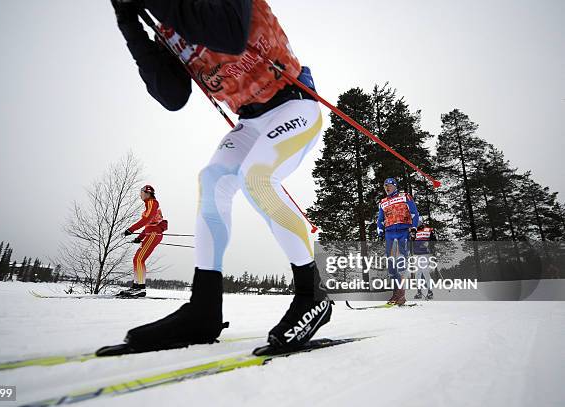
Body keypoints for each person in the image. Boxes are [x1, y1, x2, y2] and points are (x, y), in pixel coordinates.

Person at [110, 0, 331, 352]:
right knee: (213, 181)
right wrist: (129, 22)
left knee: (257, 178)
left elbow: (228, 34)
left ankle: (312, 293)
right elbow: (172, 95)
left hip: (292, 104)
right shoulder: (169, 22)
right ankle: (204, 310)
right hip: (250, 120)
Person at [120, 185, 168, 298]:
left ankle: (140, 288)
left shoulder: (152, 203)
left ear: (147, 193)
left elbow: (146, 220)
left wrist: (131, 229)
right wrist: (139, 238)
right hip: (151, 233)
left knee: (139, 259)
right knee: (137, 259)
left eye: (141, 192)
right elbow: (148, 225)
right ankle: (136, 286)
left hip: (154, 234)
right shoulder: (149, 205)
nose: (140, 195)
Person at [377, 178, 419, 305]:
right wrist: (380, 230)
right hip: (389, 233)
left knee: (401, 262)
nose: (387, 188)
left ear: (395, 186)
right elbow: (380, 219)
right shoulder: (383, 202)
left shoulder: (405, 196)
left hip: (403, 231)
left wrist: (414, 229)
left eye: (389, 185)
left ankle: (401, 294)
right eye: (385, 186)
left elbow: (414, 214)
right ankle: (395, 293)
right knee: (391, 264)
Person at [411, 220, 437, 300]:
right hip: (416, 254)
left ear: (421, 223)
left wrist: (430, 245)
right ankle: (419, 292)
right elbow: (411, 242)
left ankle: (430, 292)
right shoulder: (414, 231)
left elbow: (434, 240)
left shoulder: (428, 229)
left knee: (425, 271)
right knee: (418, 273)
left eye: (417, 223)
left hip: (426, 253)